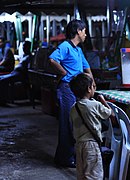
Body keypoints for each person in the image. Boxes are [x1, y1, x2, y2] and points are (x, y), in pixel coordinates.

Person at [49, 19, 95, 168]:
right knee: (67, 123)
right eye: (84, 31)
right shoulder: (65, 46)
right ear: (78, 31)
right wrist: (63, 72)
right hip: (67, 88)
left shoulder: (77, 50)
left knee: (75, 123)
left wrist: (92, 82)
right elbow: (52, 59)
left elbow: (86, 67)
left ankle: (64, 156)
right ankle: (65, 158)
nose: (86, 34)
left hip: (77, 89)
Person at [69, 73, 114, 180]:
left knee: (82, 174)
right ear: (89, 89)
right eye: (94, 86)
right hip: (91, 146)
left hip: (79, 145)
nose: (94, 88)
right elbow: (110, 114)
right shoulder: (95, 105)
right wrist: (103, 101)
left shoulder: (73, 108)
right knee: (94, 175)